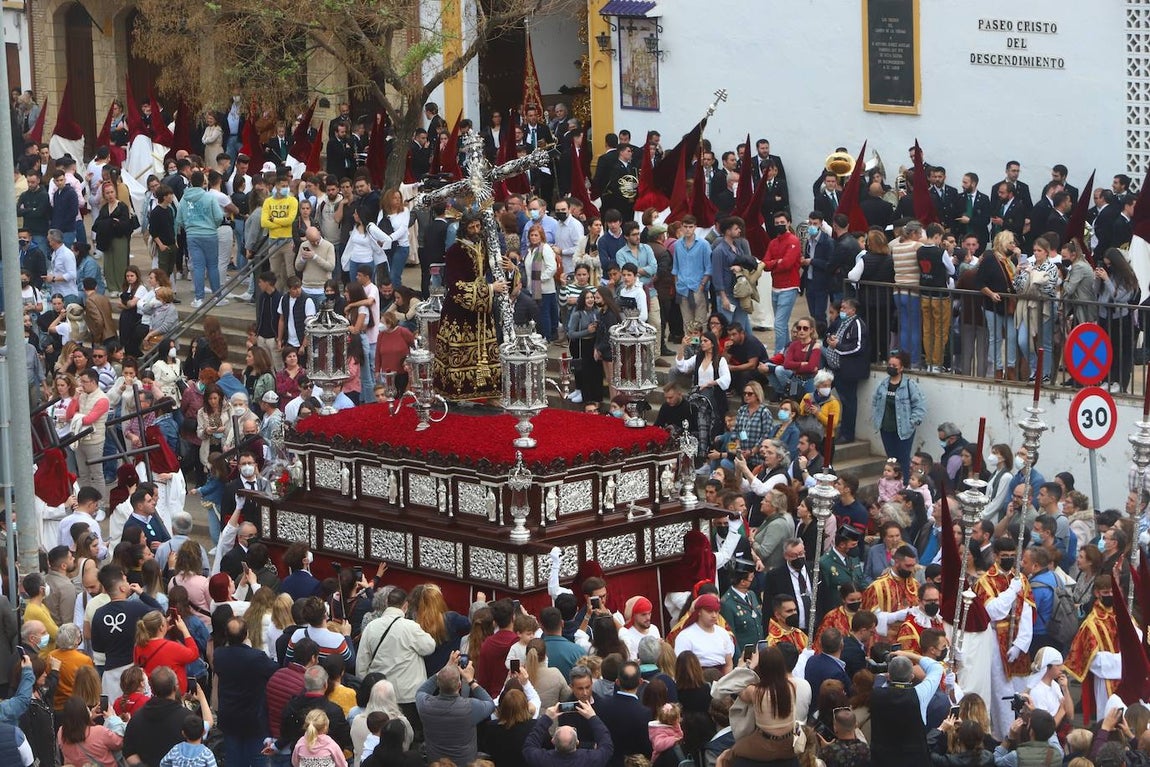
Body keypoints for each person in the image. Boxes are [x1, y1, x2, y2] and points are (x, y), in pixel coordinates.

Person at [433, 210, 508, 399]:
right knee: (460, 351)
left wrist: (511, 269)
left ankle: (490, 394)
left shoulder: (486, 247)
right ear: (464, 228)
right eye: (471, 227)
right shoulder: (454, 251)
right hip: (459, 311)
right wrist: (490, 289)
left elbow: (498, 272)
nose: (475, 230)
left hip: (481, 310)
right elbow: (456, 286)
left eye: (478, 226)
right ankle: (454, 393)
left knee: (487, 352)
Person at [973, 538, 1034, 739]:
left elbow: (1027, 612)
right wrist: (1010, 591)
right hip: (993, 642)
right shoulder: (985, 582)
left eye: (1012, 556)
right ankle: (1004, 736)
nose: (1008, 559)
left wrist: (1020, 644)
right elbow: (993, 612)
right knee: (1001, 692)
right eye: (1004, 556)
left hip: (1018, 642)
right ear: (995, 556)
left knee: (1021, 691)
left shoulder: (1021, 579)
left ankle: (1025, 733)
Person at [355, 587, 435, 732]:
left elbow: (361, 664)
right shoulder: (410, 627)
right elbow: (429, 647)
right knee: (409, 734)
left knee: (380, 733)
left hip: (380, 693)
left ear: (387, 603)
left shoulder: (371, 627)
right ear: (405, 606)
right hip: (408, 694)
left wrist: (368, 688)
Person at [213, 615, 280, 767]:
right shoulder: (257, 657)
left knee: (234, 760)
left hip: (230, 717)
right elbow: (275, 670)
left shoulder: (219, 654)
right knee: (258, 760)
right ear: (246, 634)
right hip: (253, 719)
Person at [122, 666, 211, 767]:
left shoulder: (137, 717)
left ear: (151, 688)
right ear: (175, 687)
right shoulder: (187, 718)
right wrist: (202, 698)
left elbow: (128, 752)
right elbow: (207, 726)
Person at [869, 649, 945, 766]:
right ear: (911, 677)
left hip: (882, 761)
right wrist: (908, 655)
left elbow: (879, 679)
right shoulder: (920, 694)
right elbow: (937, 668)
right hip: (915, 761)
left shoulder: (876, 694)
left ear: (889, 676)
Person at [415, 656, 495, 766]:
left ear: (438, 684)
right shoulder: (470, 707)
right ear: (459, 685)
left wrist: (444, 670)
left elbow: (421, 691)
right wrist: (471, 681)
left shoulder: (426, 705)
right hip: (465, 763)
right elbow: (490, 704)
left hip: (437, 763)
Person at [1064, 574, 1119, 725]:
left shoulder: (1121, 615)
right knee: (1107, 717)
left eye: (1113, 591)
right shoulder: (1092, 623)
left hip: (1124, 678)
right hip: (1105, 678)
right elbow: (1090, 659)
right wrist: (1119, 661)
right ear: (1097, 593)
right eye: (1106, 592)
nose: (1110, 595)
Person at [871, 351, 926, 478]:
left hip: (904, 430)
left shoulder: (909, 385)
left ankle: (905, 483)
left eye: (894, 365)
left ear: (901, 368)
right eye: (889, 364)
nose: (891, 367)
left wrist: (912, 422)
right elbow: (875, 401)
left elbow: (919, 406)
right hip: (885, 428)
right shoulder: (883, 384)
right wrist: (876, 418)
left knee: (903, 459)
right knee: (891, 459)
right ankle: (892, 484)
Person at [523, 699, 613, 767]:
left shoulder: (543, 760)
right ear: (577, 742)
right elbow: (607, 746)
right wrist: (592, 717)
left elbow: (529, 746)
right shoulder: (590, 759)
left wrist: (546, 718)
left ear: (553, 740)